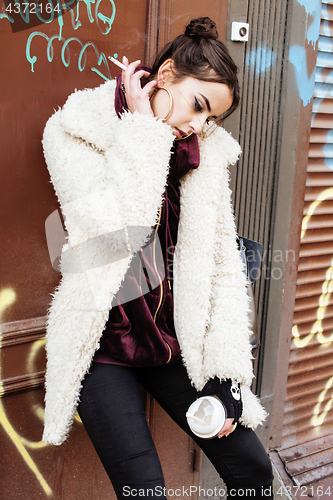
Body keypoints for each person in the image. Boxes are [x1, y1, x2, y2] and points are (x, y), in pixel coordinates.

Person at [42, 17, 274, 500]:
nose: (197, 126)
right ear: (165, 74)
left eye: (211, 119)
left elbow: (221, 268)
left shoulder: (201, 153)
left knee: (252, 468)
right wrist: (144, 133)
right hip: (104, 344)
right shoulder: (74, 129)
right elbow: (113, 232)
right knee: (145, 490)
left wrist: (229, 376)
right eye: (199, 106)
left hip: (172, 340)